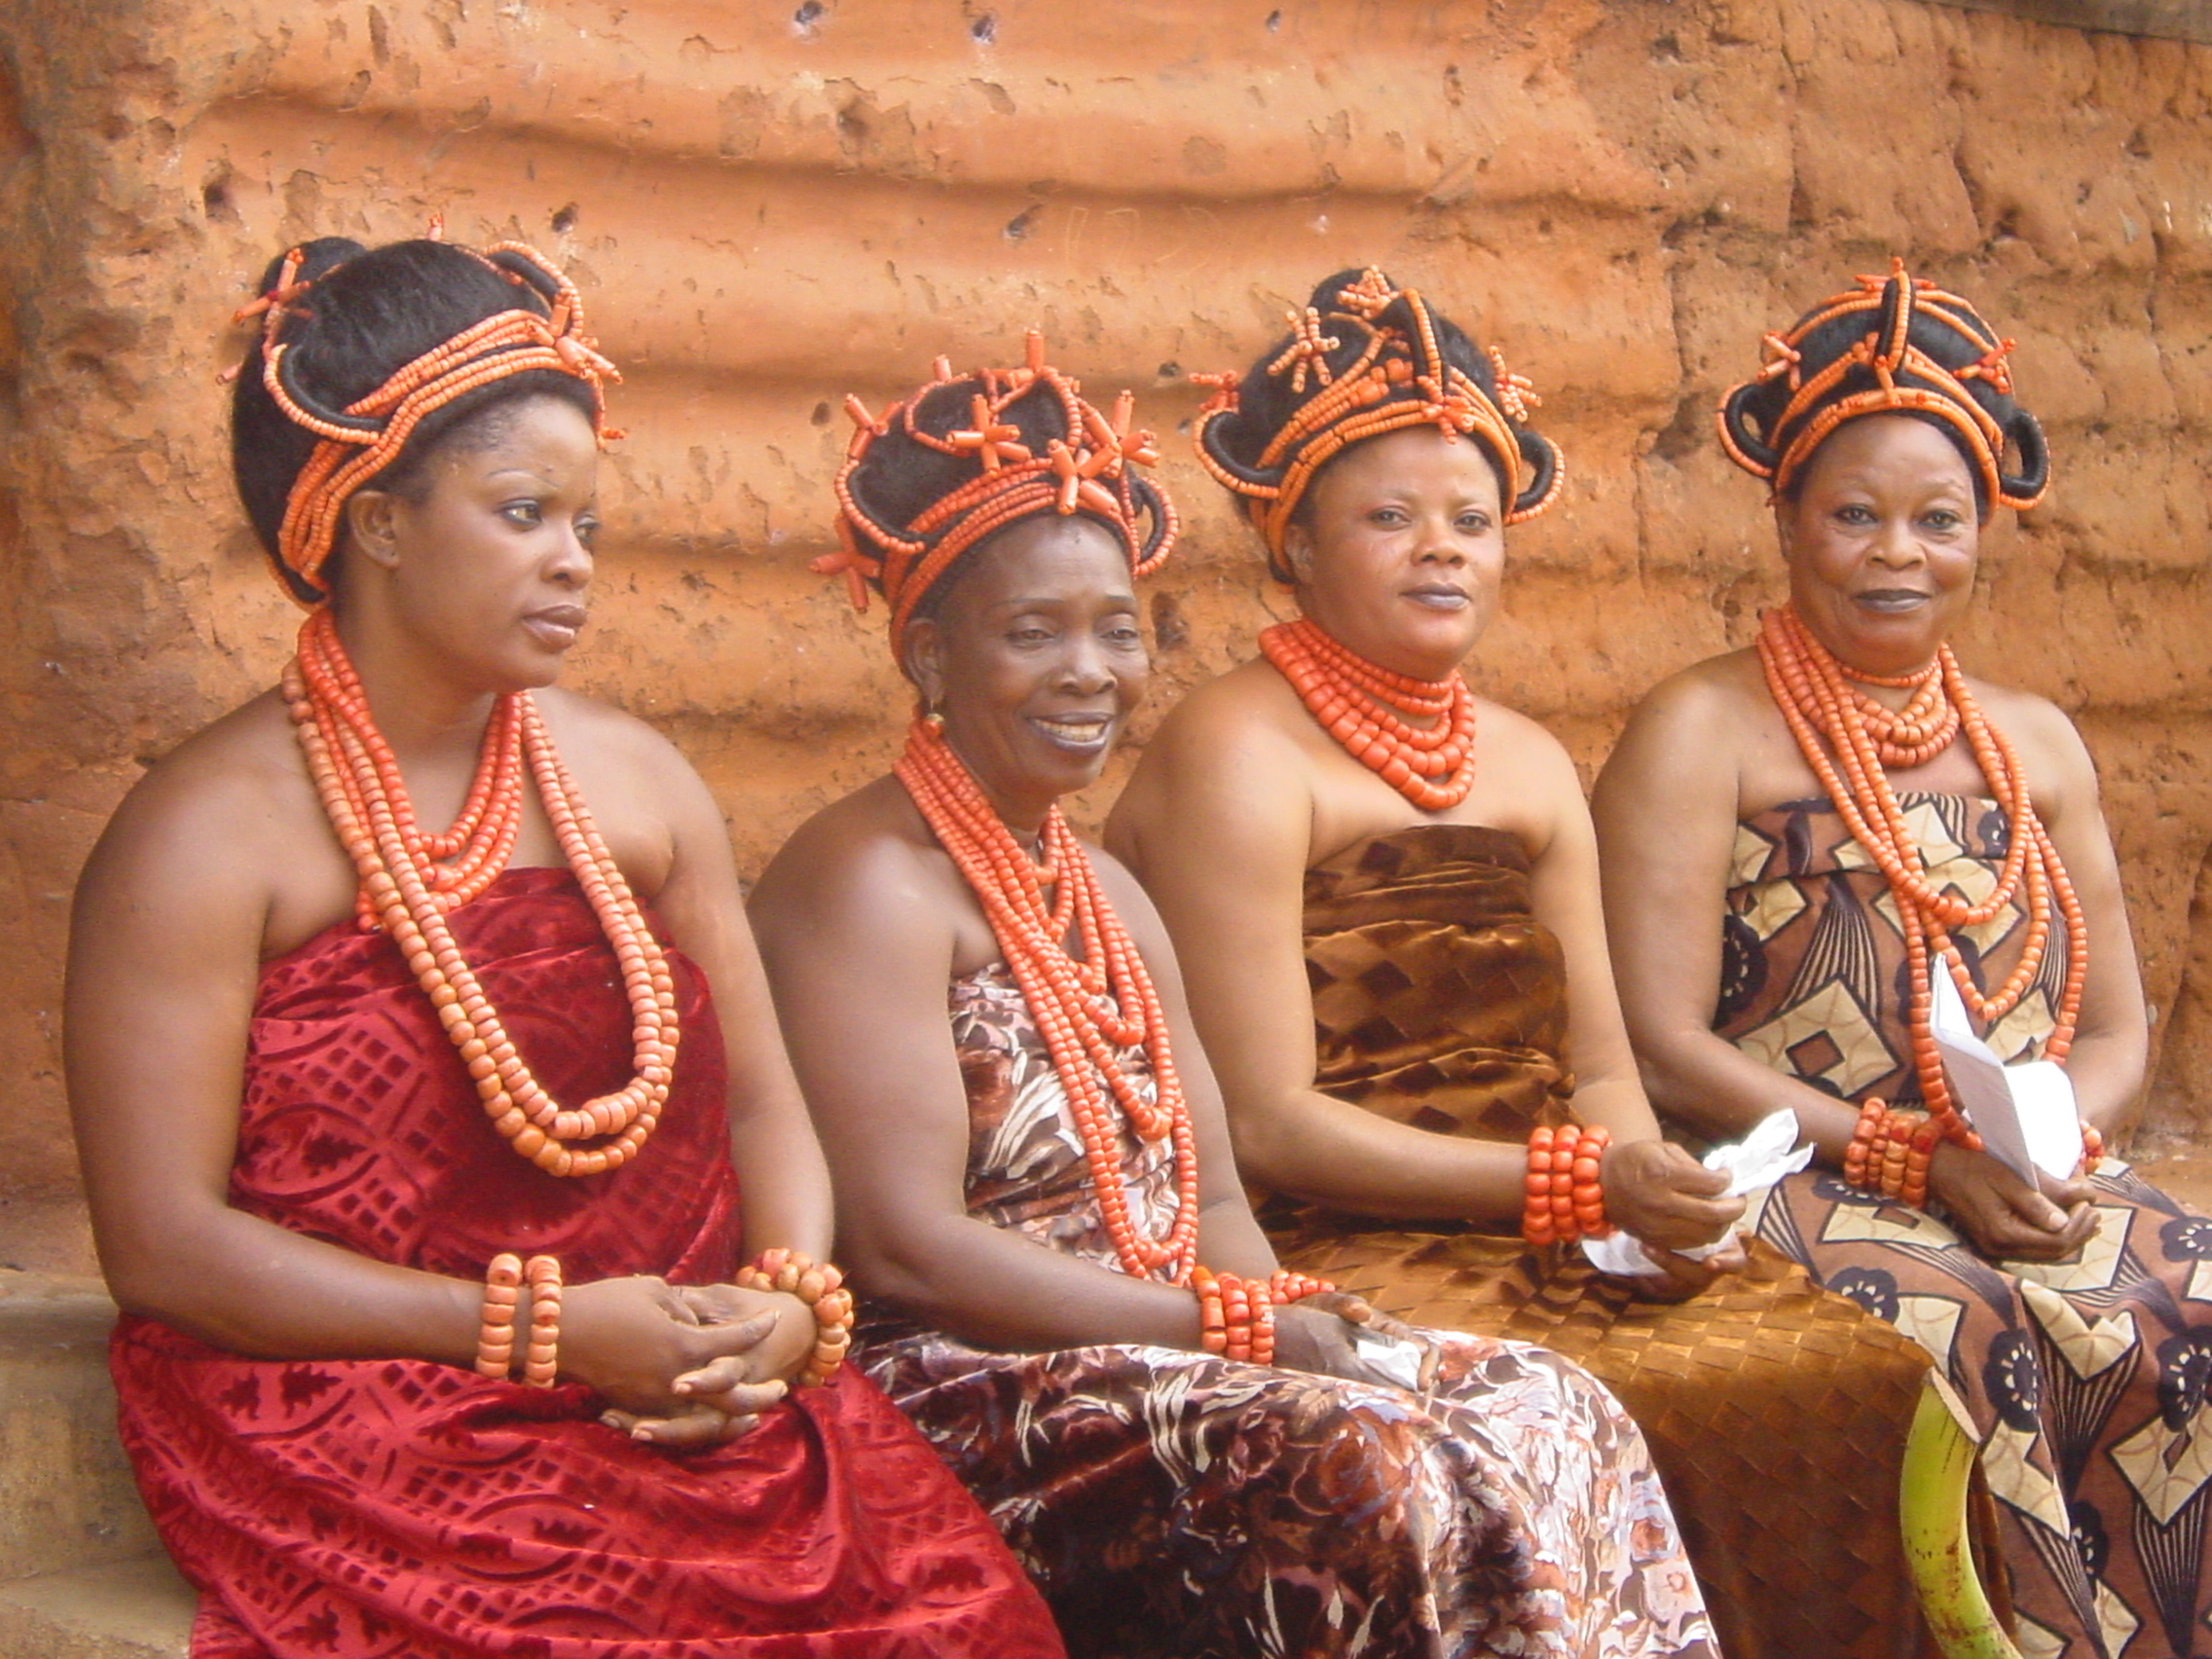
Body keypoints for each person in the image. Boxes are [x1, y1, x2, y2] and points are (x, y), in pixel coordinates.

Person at [64, 232, 1062, 1659]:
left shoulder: (639, 787)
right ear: (376, 520)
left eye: (586, 525)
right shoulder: (202, 840)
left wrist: (784, 1311)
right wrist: (541, 1335)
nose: (573, 563)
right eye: (525, 512)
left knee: (962, 1622)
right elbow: (161, 1249)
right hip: (377, 1405)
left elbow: (768, 1102)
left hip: (697, 1382)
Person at [748, 336, 1717, 1659]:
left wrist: (1288, 1318)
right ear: (928, 655)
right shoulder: (867, 882)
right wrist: (1224, 1329)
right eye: (1033, 633)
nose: (1090, 671)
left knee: (1545, 1401)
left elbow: (1207, 1203)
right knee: (1368, 1463)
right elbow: (908, 1252)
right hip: (980, 1380)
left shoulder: (1099, 890)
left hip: (1171, 1335)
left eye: (1116, 629)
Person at [1105, 266, 1945, 1657]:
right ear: (1296, 544)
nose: (1444, 551)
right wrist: (1570, 1185)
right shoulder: (1235, 753)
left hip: (1544, 1220)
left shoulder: (1531, 760)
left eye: (1472, 522)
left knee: (1835, 1372)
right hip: (1334, 1237)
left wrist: (1652, 1209)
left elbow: (1603, 1065)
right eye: (1390, 518)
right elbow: (1267, 1126)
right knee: (1563, 1419)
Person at [1593, 259, 2206, 1659]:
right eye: (1853, 514)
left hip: (2039, 1175)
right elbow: (1662, 1043)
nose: (1895, 553)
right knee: (1960, 1333)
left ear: (1983, 530)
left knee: (2189, 1297)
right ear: (1788, 522)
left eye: (1936, 519)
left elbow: (2115, 1024)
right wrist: (1921, 1166)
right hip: (1808, 1182)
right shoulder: (1703, 731)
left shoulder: (2036, 740)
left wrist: (2051, 1145)